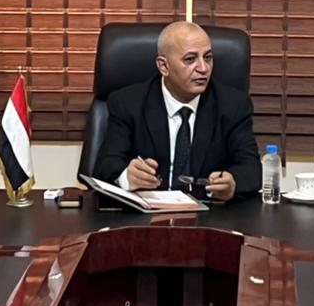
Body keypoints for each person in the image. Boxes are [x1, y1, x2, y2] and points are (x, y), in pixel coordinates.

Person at [93, 21, 262, 201]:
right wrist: (127, 177)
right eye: (190, 59)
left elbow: (252, 168)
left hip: (210, 212)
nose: (203, 68)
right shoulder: (128, 103)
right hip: (149, 212)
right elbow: (105, 166)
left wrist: (232, 183)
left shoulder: (233, 105)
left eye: (208, 57)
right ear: (164, 66)